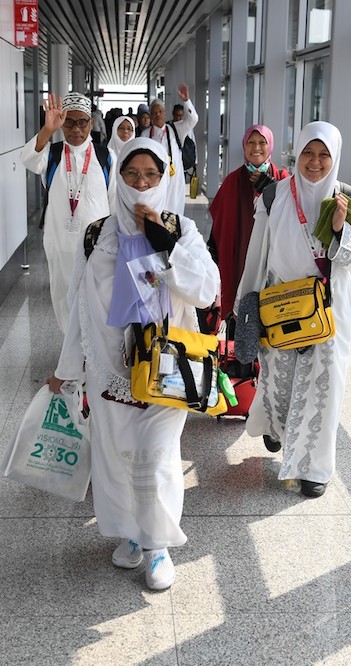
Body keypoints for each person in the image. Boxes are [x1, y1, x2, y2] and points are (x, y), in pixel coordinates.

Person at [46, 138, 219, 590]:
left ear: (165, 179)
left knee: (157, 458)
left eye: (151, 175)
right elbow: (79, 306)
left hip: (167, 367)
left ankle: (157, 544)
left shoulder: (181, 228)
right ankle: (130, 533)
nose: (142, 184)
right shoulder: (97, 234)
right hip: (109, 371)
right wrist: (68, 370)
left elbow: (207, 289)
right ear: (118, 177)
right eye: (132, 174)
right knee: (115, 459)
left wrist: (164, 243)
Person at [235, 121, 351, 498]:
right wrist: (244, 305)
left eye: (324, 155)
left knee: (325, 388)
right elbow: (257, 253)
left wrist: (340, 232)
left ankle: (315, 469)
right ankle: (277, 429)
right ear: (296, 153)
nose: (315, 162)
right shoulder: (274, 196)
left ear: (335, 158)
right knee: (280, 381)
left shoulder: (347, 199)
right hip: (281, 306)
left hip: (328, 311)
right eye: (308, 153)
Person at [21, 92, 116, 331]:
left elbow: (114, 201)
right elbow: (27, 159)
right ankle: (71, 356)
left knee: (97, 299)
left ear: (91, 123)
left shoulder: (106, 157)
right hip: (60, 243)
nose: (76, 128)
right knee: (63, 299)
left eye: (82, 121)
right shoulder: (52, 154)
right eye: (69, 122)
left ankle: (91, 356)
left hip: (98, 246)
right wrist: (47, 130)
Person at [208, 124, 290, 319]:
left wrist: (273, 189)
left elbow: (291, 214)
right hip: (241, 255)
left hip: (272, 255)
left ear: (270, 146)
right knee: (240, 312)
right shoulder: (232, 181)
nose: (256, 148)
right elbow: (219, 222)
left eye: (262, 142)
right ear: (244, 147)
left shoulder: (282, 179)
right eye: (251, 143)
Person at [138, 85, 198, 214]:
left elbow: (193, 119)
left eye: (160, 112)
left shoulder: (176, 129)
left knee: (174, 211)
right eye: (154, 113)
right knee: (155, 211)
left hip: (174, 179)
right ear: (151, 117)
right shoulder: (145, 135)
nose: (157, 115)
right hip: (153, 180)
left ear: (165, 114)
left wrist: (186, 101)